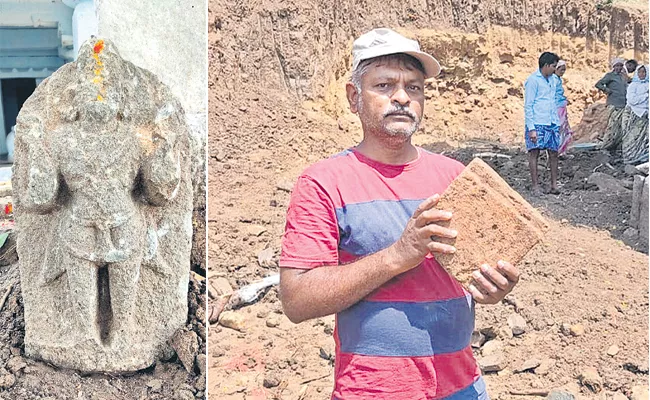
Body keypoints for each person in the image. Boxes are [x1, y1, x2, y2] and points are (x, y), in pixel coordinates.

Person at [279, 28, 520, 400]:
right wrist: (396, 256)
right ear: (353, 96)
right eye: (385, 85)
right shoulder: (323, 183)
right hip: (372, 390)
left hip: (462, 388)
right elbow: (296, 301)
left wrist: (493, 288)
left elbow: (476, 276)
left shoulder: (455, 177)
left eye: (415, 87)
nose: (403, 98)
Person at [524, 52, 561, 195]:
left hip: (552, 121)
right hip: (538, 121)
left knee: (553, 153)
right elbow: (528, 105)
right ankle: (535, 186)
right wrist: (531, 128)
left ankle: (554, 185)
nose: (554, 69)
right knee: (534, 152)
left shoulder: (553, 80)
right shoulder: (533, 81)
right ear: (546, 65)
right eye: (553, 66)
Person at [595, 58, 628, 151]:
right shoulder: (610, 76)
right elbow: (598, 84)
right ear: (613, 67)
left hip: (623, 104)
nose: (619, 67)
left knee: (620, 127)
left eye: (620, 65)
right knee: (612, 127)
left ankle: (615, 146)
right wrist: (607, 90)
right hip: (613, 104)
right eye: (617, 66)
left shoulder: (623, 76)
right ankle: (605, 146)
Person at [622, 64, 649, 165]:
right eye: (640, 72)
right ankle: (629, 157)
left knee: (642, 139)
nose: (642, 74)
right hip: (635, 114)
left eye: (644, 72)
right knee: (631, 137)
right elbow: (632, 100)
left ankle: (640, 157)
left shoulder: (648, 84)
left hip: (645, 115)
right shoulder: (633, 85)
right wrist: (645, 95)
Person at [552, 60, 573, 155]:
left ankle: (560, 150)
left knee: (563, 128)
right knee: (559, 127)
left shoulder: (558, 79)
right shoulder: (553, 80)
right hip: (556, 107)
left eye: (564, 70)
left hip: (561, 105)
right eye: (561, 70)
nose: (563, 72)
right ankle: (557, 150)